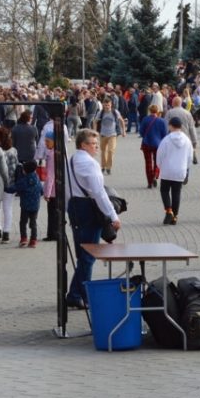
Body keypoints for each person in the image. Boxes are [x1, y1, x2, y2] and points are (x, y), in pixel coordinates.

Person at [65, 129, 121, 309]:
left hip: (74, 206)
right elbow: (99, 193)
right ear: (83, 145)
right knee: (89, 255)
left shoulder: (72, 160)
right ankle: (79, 294)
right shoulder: (90, 164)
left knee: (83, 254)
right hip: (87, 208)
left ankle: (75, 293)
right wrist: (113, 215)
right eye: (93, 144)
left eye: (97, 144)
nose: (96, 147)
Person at [156, 116, 193, 225]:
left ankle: (169, 210)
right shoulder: (187, 140)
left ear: (171, 126)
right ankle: (175, 216)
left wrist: (160, 166)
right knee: (176, 193)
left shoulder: (166, 140)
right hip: (180, 170)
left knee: (164, 191)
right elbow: (190, 157)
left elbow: (160, 154)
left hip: (167, 170)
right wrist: (186, 168)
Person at [6, 160, 43, 248]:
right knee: (33, 222)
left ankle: (24, 239)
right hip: (35, 205)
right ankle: (33, 240)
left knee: (23, 222)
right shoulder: (37, 178)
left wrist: (4, 188)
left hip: (25, 205)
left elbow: (13, 189)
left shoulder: (23, 180)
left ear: (25, 171)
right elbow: (41, 191)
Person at [94, 98, 125, 175]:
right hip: (103, 134)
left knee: (111, 151)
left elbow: (121, 120)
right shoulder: (100, 113)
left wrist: (123, 131)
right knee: (103, 151)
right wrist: (94, 131)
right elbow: (95, 121)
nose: (107, 106)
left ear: (111, 104)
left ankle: (109, 167)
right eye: (105, 105)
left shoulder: (115, 112)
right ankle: (103, 166)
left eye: (108, 105)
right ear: (103, 105)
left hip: (113, 134)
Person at [139, 104, 168, 188]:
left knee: (148, 163)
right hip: (158, 144)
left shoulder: (145, 119)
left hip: (147, 143)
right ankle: (155, 175)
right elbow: (165, 134)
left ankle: (149, 182)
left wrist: (146, 135)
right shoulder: (162, 121)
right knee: (157, 162)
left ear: (149, 111)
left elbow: (141, 132)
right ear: (158, 111)